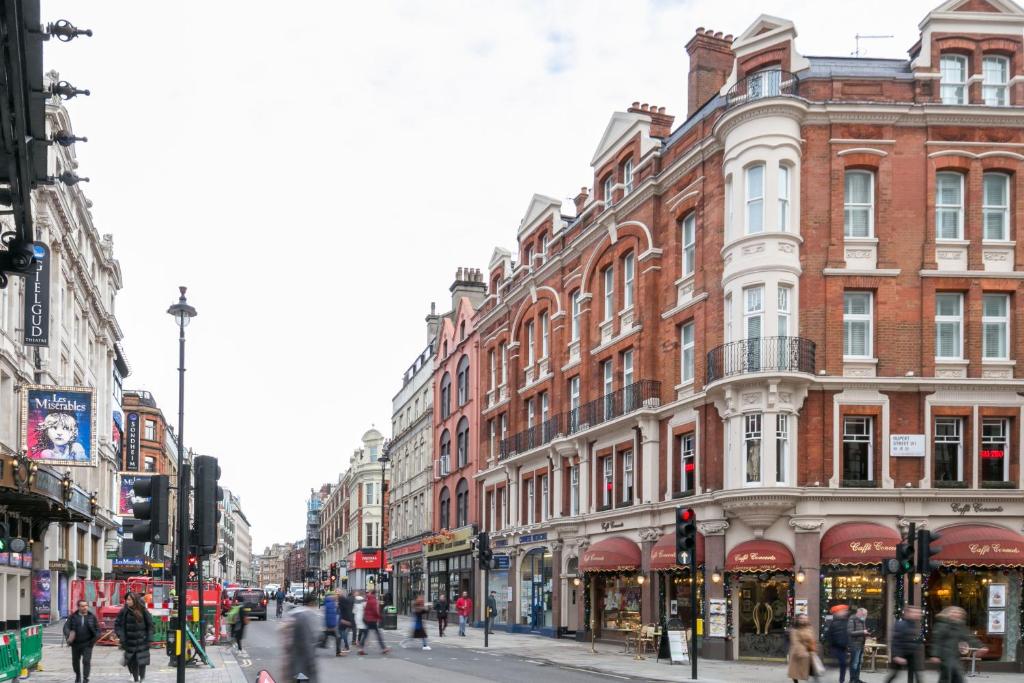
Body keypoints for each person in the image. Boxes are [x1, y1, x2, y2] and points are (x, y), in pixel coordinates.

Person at [929, 606, 986, 683]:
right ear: (948, 613)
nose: (956, 614)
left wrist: (980, 646)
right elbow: (937, 641)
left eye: (958, 613)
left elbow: (969, 637)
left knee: (957, 678)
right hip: (944, 657)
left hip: (955, 656)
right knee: (947, 678)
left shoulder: (960, 626)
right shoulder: (941, 625)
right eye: (954, 612)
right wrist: (935, 655)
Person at [114, 592, 153, 683]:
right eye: (126, 600)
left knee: (142, 662)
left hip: (142, 641)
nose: (127, 602)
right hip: (129, 641)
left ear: (134, 600)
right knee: (133, 661)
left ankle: (142, 678)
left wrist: (149, 638)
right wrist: (121, 636)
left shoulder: (143, 610)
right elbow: (118, 625)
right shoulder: (124, 611)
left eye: (129, 600)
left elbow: (150, 625)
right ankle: (136, 679)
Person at [885, 606, 924, 683]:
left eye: (918, 613)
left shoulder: (914, 625)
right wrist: (897, 656)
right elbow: (896, 641)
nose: (918, 614)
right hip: (901, 654)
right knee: (894, 674)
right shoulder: (901, 624)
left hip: (911, 655)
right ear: (908, 613)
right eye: (915, 612)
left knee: (917, 675)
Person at [285, 593, 319, 683]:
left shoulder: (296, 614)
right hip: (303, 662)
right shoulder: (305, 617)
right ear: (312, 603)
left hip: (294, 660)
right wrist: (311, 663)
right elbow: (307, 642)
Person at [64, 599, 99, 683]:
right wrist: (69, 635)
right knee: (75, 662)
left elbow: (98, 629)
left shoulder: (92, 616)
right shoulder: (72, 617)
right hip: (75, 644)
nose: (85, 608)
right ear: (78, 607)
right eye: (82, 606)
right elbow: (66, 627)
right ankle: (78, 676)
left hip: (88, 643)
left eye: (86, 606)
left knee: (86, 661)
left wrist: (95, 639)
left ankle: (85, 679)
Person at [787, 614, 820, 683]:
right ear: (798, 619)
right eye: (802, 618)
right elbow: (795, 642)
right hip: (797, 653)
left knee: (812, 669)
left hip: (808, 651)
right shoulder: (794, 629)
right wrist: (802, 652)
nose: (804, 620)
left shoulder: (809, 628)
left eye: (805, 618)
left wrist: (813, 648)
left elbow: (812, 639)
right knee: (795, 672)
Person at [359, 590, 389, 655]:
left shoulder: (368, 600)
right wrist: (379, 617)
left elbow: (366, 609)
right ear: (375, 594)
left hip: (366, 619)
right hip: (372, 620)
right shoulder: (374, 600)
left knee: (366, 634)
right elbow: (375, 611)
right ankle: (384, 648)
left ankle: (361, 648)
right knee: (378, 634)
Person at [825, 605, 850, 683]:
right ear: (838, 613)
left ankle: (841, 680)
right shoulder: (833, 623)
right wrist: (831, 646)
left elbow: (848, 634)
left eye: (845, 611)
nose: (845, 612)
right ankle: (841, 680)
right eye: (843, 611)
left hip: (843, 647)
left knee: (843, 664)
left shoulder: (846, 621)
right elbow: (828, 635)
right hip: (836, 647)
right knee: (842, 663)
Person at [847, 607, 870, 683]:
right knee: (854, 663)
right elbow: (850, 632)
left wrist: (866, 634)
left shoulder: (862, 621)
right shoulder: (852, 619)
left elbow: (862, 632)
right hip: (854, 645)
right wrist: (862, 632)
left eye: (866, 614)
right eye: (864, 614)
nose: (865, 616)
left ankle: (857, 679)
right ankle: (852, 679)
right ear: (859, 613)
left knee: (859, 663)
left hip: (861, 644)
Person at [336, 590, 354, 655]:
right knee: (341, 633)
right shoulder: (342, 600)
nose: (336, 596)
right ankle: (345, 647)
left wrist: (345, 620)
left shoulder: (341, 600)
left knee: (341, 633)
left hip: (344, 619)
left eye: (337, 594)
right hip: (345, 619)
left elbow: (345, 611)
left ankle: (346, 647)